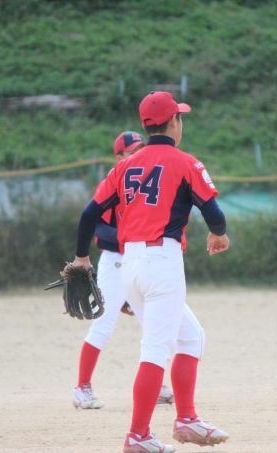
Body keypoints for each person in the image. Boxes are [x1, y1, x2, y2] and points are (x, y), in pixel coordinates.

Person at [71, 91, 230, 453]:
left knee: (191, 338)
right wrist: (219, 235)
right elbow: (213, 213)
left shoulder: (123, 167)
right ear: (173, 122)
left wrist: (81, 258)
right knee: (156, 349)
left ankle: (187, 418)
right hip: (162, 262)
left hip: (129, 265)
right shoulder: (185, 162)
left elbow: (89, 214)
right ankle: (138, 435)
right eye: (180, 117)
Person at [71, 131, 175, 409]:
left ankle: (156, 385)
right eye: (132, 151)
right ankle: (82, 388)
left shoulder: (149, 182)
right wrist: (127, 237)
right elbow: (97, 225)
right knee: (103, 325)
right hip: (116, 261)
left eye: (141, 149)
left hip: (143, 261)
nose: (138, 154)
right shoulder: (114, 181)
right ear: (119, 157)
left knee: (155, 325)